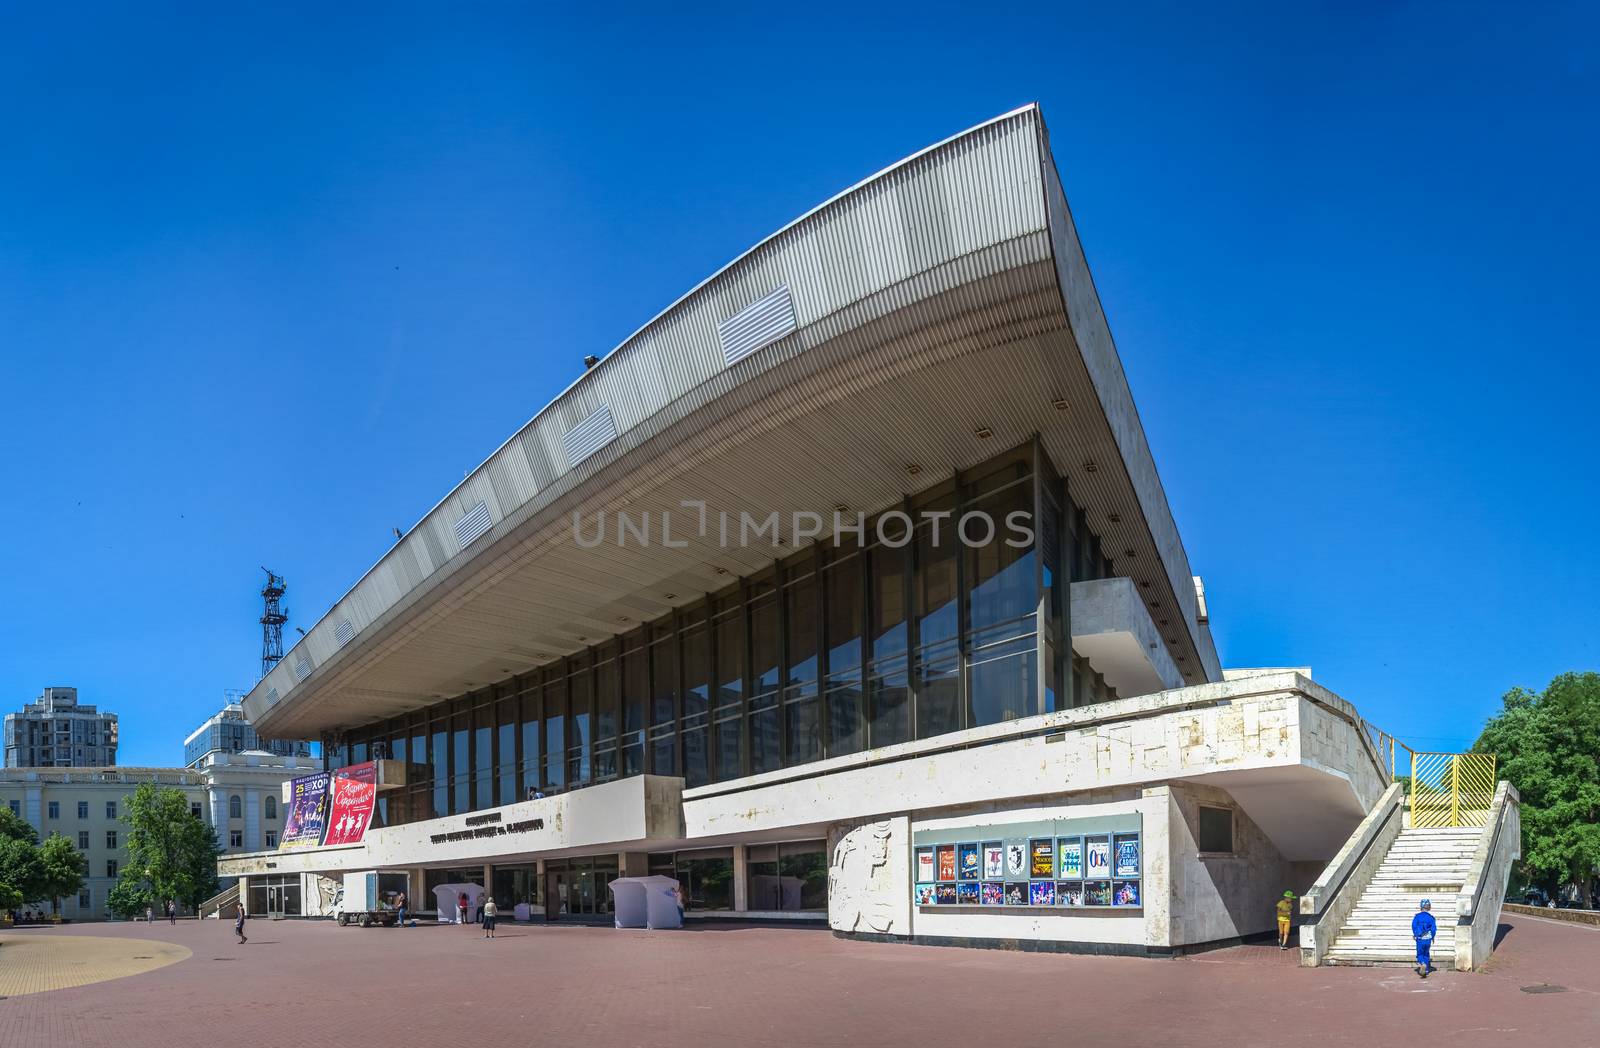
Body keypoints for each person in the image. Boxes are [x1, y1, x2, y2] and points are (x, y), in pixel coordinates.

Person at [1412, 898, 1437, 978]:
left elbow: (1414, 926)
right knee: (1426, 953)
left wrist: (1416, 934)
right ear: (1429, 907)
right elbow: (1433, 929)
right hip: (1428, 939)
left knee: (1420, 953)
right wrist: (1432, 937)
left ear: (1421, 907)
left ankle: (1422, 963)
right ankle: (1426, 970)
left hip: (1420, 938)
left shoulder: (1417, 917)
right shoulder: (1431, 918)